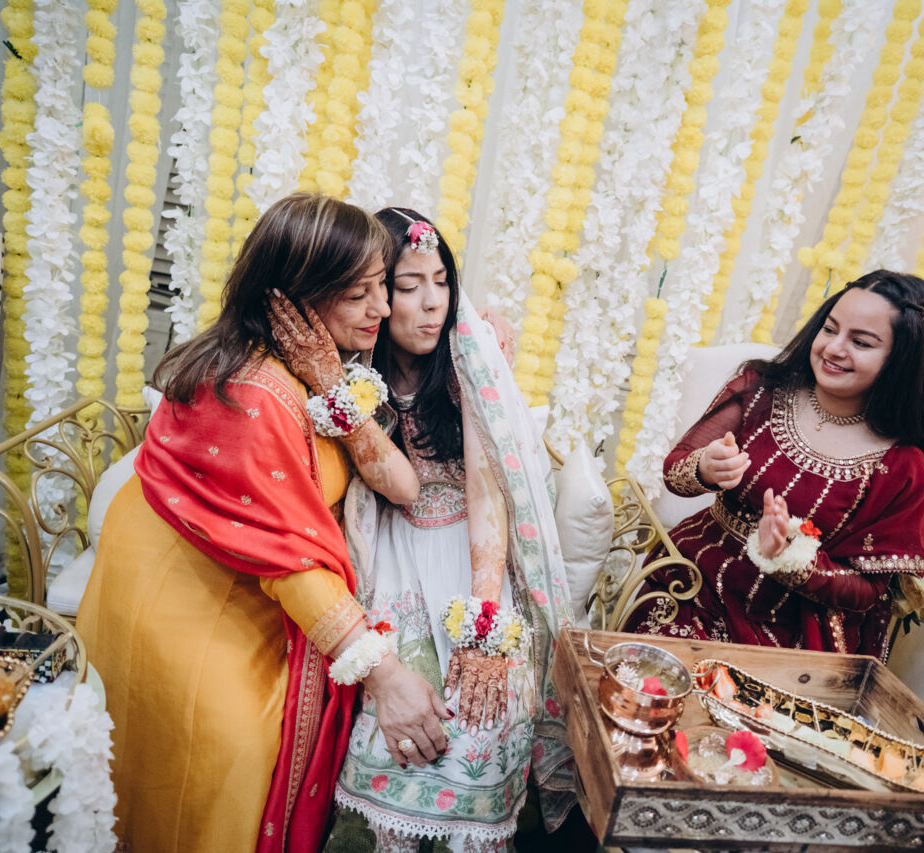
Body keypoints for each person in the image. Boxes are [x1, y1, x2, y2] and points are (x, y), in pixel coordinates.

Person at [76, 194, 453, 853]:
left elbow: (401, 486)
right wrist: (385, 674)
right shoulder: (253, 394)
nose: (383, 308)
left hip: (229, 587)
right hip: (183, 611)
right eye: (360, 294)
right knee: (230, 767)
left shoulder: (305, 369)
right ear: (297, 298)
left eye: (382, 287)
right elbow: (290, 561)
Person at [325, 208, 574, 852]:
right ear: (376, 293)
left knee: (480, 722)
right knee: (395, 730)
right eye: (409, 286)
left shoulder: (468, 355)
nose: (432, 303)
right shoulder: (348, 368)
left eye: (442, 281)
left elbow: (490, 493)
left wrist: (484, 622)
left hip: (472, 552)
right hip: (392, 552)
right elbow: (390, 486)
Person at [629, 270, 924, 659]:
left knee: (738, 697)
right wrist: (704, 469)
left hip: (789, 626)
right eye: (830, 329)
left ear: (902, 361)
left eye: (860, 342)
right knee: (662, 676)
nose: (834, 348)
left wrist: (788, 557)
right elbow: (675, 471)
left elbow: (867, 591)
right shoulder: (761, 390)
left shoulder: (901, 466)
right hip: (695, 581)